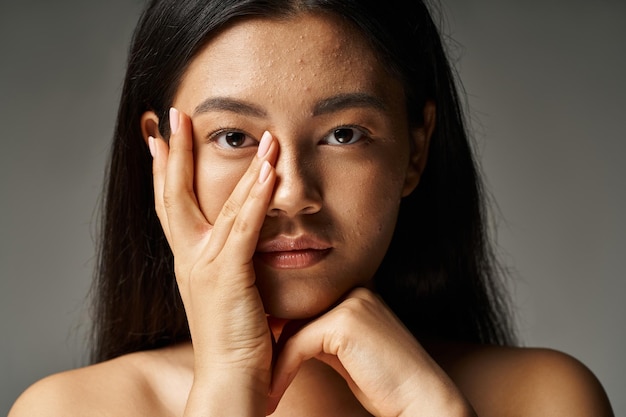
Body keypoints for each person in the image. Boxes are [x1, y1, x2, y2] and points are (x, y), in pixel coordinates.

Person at [9, 0, 614, 416]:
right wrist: (227, 388)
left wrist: (430, 408)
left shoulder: (544, 399)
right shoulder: (69, 410)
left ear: (415, 149)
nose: (292, 193)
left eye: (344, 134)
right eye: (235, 137)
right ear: (162, 155)